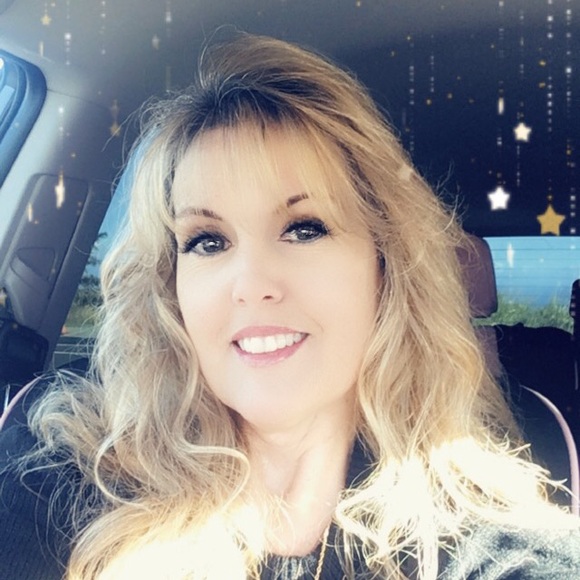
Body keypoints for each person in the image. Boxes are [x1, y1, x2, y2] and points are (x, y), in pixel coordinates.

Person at [1, 33, 579, 580]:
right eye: (208, 241)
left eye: (305, 228)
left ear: (385, 267)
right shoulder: (64, 459)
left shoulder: (489, 544)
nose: (251, 284)